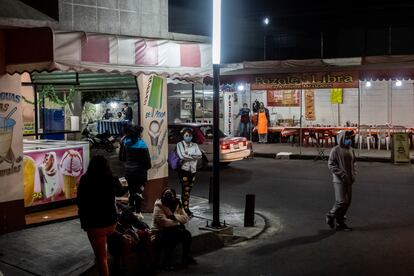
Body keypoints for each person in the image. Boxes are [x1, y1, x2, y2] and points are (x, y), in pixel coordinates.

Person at [76, 155, 126, 276]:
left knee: (101, 258)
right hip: (111, 222)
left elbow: (80, 201)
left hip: (95, 224)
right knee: (104, 249)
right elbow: (120, 191)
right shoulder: (112, 178)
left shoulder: (85, 179)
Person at [151, 188, 197, 269]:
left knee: (187, 234)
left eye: (170, 194)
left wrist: (174, 217)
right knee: (171, 235)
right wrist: (178, 221)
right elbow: (164, 223)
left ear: (174, 196)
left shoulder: (177, 203)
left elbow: (186, 218)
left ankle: (185, 258)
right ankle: (166, 263)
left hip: (173, 230)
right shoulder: (158, 205)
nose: (168, 196)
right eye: (166, 194)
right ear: (162, 196)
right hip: (159, 232)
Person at [326, 130, 356, 231]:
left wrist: (354, 174)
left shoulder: (351, 149)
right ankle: (331, 215)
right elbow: (331, 164)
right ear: (342, 138)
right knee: (341, 201)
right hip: (339, 180)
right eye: (347, 138)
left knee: (348, 202)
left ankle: (340, 222)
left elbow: (354, 163)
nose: (349, 140)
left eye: (350, 138)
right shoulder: (335, 150)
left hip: (349, 180)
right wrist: (342, 174)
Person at [121, 125, 151, 219]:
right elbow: (147, 163)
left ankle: (130, 211)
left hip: (129, 172)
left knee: (131, 191)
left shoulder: (125, 142)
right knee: (139, 192)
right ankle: (138, 212)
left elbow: (122, 158)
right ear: (138, 134)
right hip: (140, 173)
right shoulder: (142, 144)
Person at [176, 128, 202, 216]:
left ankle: (185, 207)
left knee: (189, 189)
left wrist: (189, 155)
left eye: (190, 136)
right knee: (185, 189)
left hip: (193, 170)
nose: (188, 137)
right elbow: (182, 156)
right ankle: (185, 208)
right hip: (184, 170)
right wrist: (193, 156)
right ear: (183, 136)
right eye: (186, 135)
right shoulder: (179, 144)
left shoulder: (195, 145)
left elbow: (200, 155)